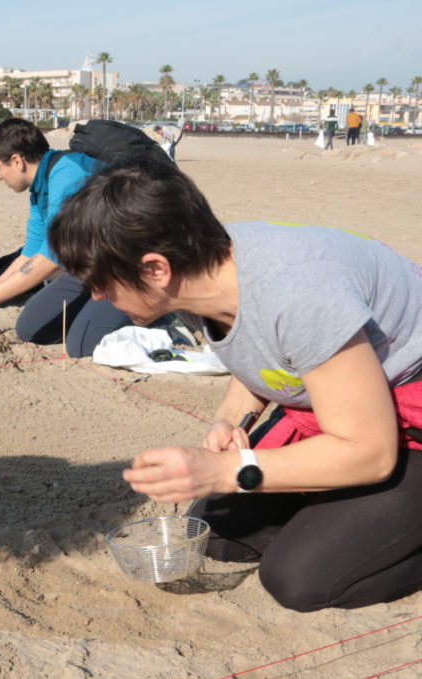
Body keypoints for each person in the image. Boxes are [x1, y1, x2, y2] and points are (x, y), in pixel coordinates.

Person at [48, 158, 422, 613]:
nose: (97, 297)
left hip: (401, 419)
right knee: (217, 535)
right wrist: (231, 418)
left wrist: (226, 470)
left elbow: (370, 451)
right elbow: (260, 348)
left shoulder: (298, 294)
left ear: (155, 269)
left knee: (301, 578)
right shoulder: (204, 264)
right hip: (346, 403)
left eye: (100, 282)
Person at [0, 118, 131, 356]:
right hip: (93, 267)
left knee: (81, 346)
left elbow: (51, 259)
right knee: (30, 329)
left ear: (16, 161)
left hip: (128, 265)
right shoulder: (40, 185)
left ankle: (159, 314)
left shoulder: (67, 174)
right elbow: (30, 253)